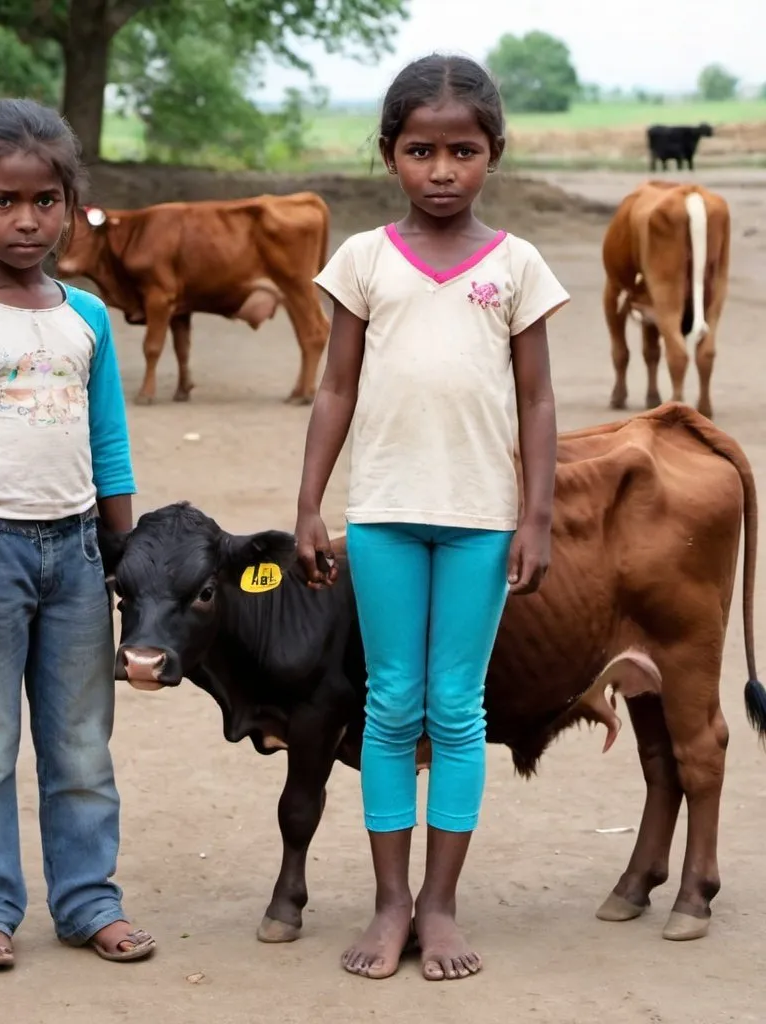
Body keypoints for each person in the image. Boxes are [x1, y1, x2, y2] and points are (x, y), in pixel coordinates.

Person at [293, 54, 569, 983]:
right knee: (389, 704)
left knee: (456, 708)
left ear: (495, 152)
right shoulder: (364, 260)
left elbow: (536, 401)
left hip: (482, 522)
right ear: (389, 154)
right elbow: (335, 387)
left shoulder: (518, 265)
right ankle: (389, 904)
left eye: (463, 150)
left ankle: (441, 908)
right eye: (421, 150)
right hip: (381, 516)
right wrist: (309, 508)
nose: (442, 169)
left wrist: (536, 517)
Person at [0, 98, 155, 970]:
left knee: (83, 743)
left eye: (45, 201)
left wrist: (126, 566)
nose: (26, 220)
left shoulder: (85, 318)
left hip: (81, 554)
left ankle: (88, 900)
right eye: (3, 202)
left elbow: (110, 447)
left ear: (69, 203)